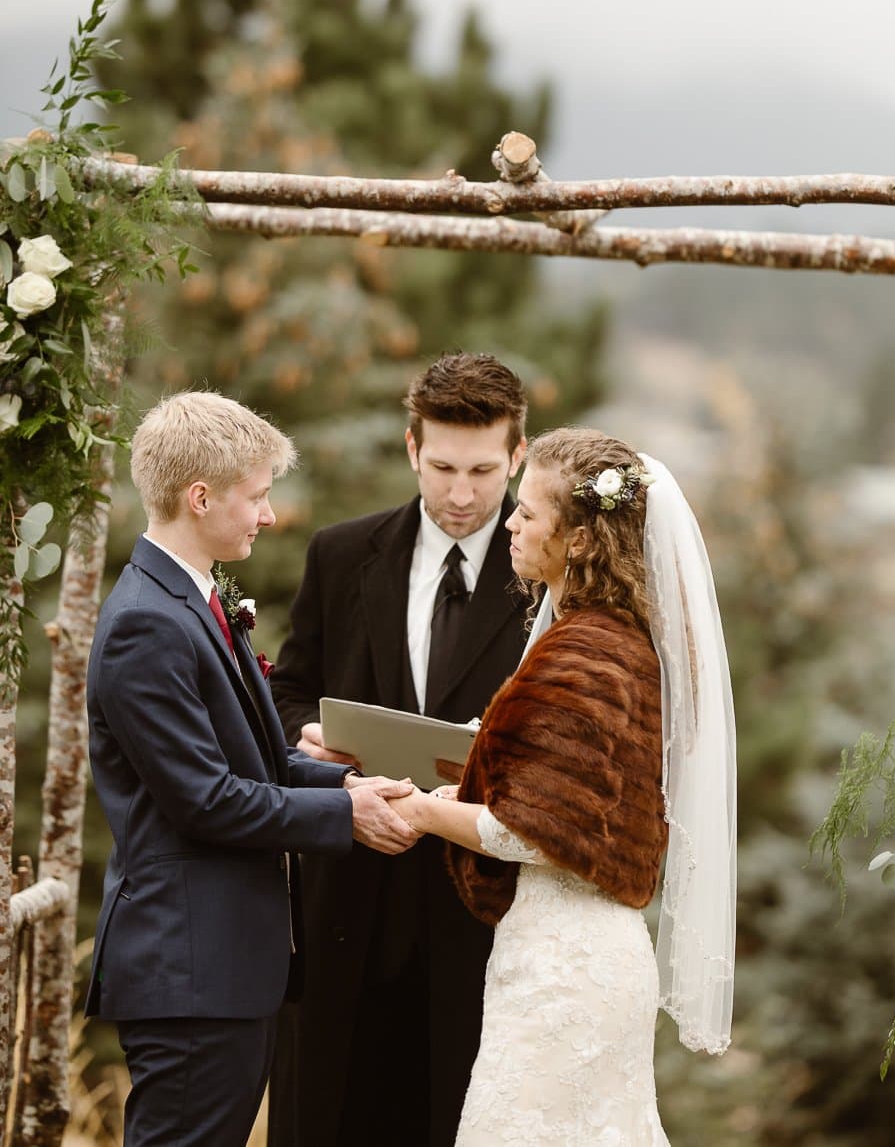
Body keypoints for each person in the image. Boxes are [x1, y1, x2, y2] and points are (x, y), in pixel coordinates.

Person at [85, 391, 418, 1147]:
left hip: (224, 968)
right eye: (258, 496)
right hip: (190, 969)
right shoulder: (147, 623)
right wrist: (347, 820)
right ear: (199, 498)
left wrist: (350, 786)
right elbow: (205, 801)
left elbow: (262, 765)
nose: (269, 516)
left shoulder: (192, 599)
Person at [390, 427, 738, 1145]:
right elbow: (569, 789)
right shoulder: (615, 640)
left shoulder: (588, 654)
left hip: (564, 972)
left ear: (579, 539)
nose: (508, 524)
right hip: (579, 954)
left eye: (527, 512)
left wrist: (419, 809)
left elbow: (533, 831)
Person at [267, 352, 532, 1147]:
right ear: (412, 447)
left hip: (483, 917)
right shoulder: (343, 553)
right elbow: (288, 692)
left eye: (484, 471)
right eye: (443, 466)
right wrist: (307, 741)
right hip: (347, 907)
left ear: (518, 455)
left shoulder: (553, 578)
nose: (461, 493)